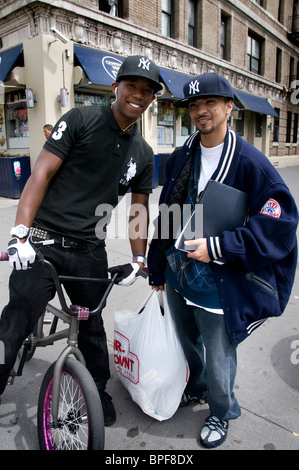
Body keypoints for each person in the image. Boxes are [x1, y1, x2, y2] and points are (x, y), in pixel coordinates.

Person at [0, 55, 163, 426]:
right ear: (115, 88)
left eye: (147, 90)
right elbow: (39, 174)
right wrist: (19, 235)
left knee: (91, 324)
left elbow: (140, 211)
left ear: (152, 99)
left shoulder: (144, 154)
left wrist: (139, 260)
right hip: (43, 239)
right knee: (20, 313)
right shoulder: (80, 120)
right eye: (132, 86)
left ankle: (97, 390)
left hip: (90, 250)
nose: (139, 94)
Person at [148, 73, 298, 448]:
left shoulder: (252, 163)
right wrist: (156, 262)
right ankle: (195, 388)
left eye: (209, 104)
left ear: (229, 107)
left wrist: (219, 247)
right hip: (179, 270)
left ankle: (220, 411)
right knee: (187, 342)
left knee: (219, 356)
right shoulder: (184, 153)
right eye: (194, 106)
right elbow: (167, 209)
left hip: (218, 280)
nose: (201, 111)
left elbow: (279, 226)